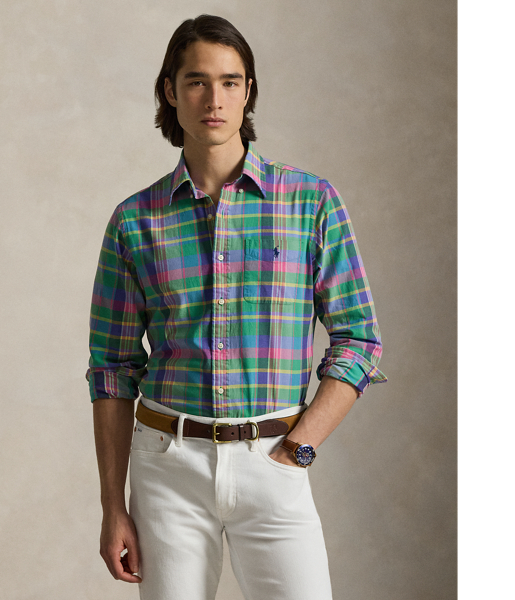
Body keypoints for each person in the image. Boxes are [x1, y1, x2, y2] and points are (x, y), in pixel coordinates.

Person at [87, 14, 387, 600]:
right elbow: (112, 370)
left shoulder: (309, 202)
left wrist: (299, 448)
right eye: (196, 81)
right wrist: (112, 505)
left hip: (273, 461)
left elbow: (359, 340)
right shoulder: (134, 220)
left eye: (230, 81)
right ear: (170, 91)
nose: (214, 99)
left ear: (248, 91)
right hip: (168, 467)